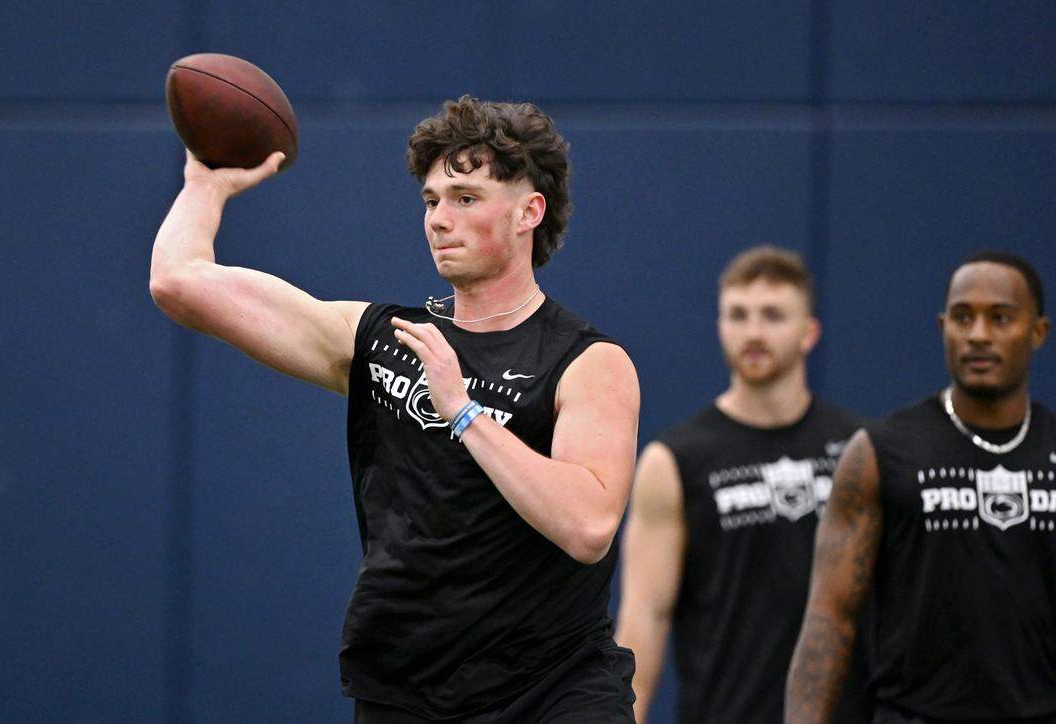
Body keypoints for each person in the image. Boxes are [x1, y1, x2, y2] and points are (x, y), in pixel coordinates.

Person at [149, 96, 639, 722]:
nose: (439, 218)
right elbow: (178, 281)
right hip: (407, 687)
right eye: (431, 200)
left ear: (528, 212)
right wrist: (204, 185)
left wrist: (463, 412)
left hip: (553, 689)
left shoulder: (588, 362)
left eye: (465, 197)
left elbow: (589, 526)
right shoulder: (386, 340)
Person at [786, 251, 1056, 723]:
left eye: (1000, 317)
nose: (977, 335)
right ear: (941, 327)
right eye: (961, 317)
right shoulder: (880, 452)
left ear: (1037, 332)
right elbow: (830, 619)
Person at [615, 246, 873, 723]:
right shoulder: (674, 461)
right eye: (739, 315)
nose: (753, 332)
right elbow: (644, 617)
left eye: (773, 316)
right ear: (720, 327)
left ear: (809, 332)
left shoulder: (860, 451)